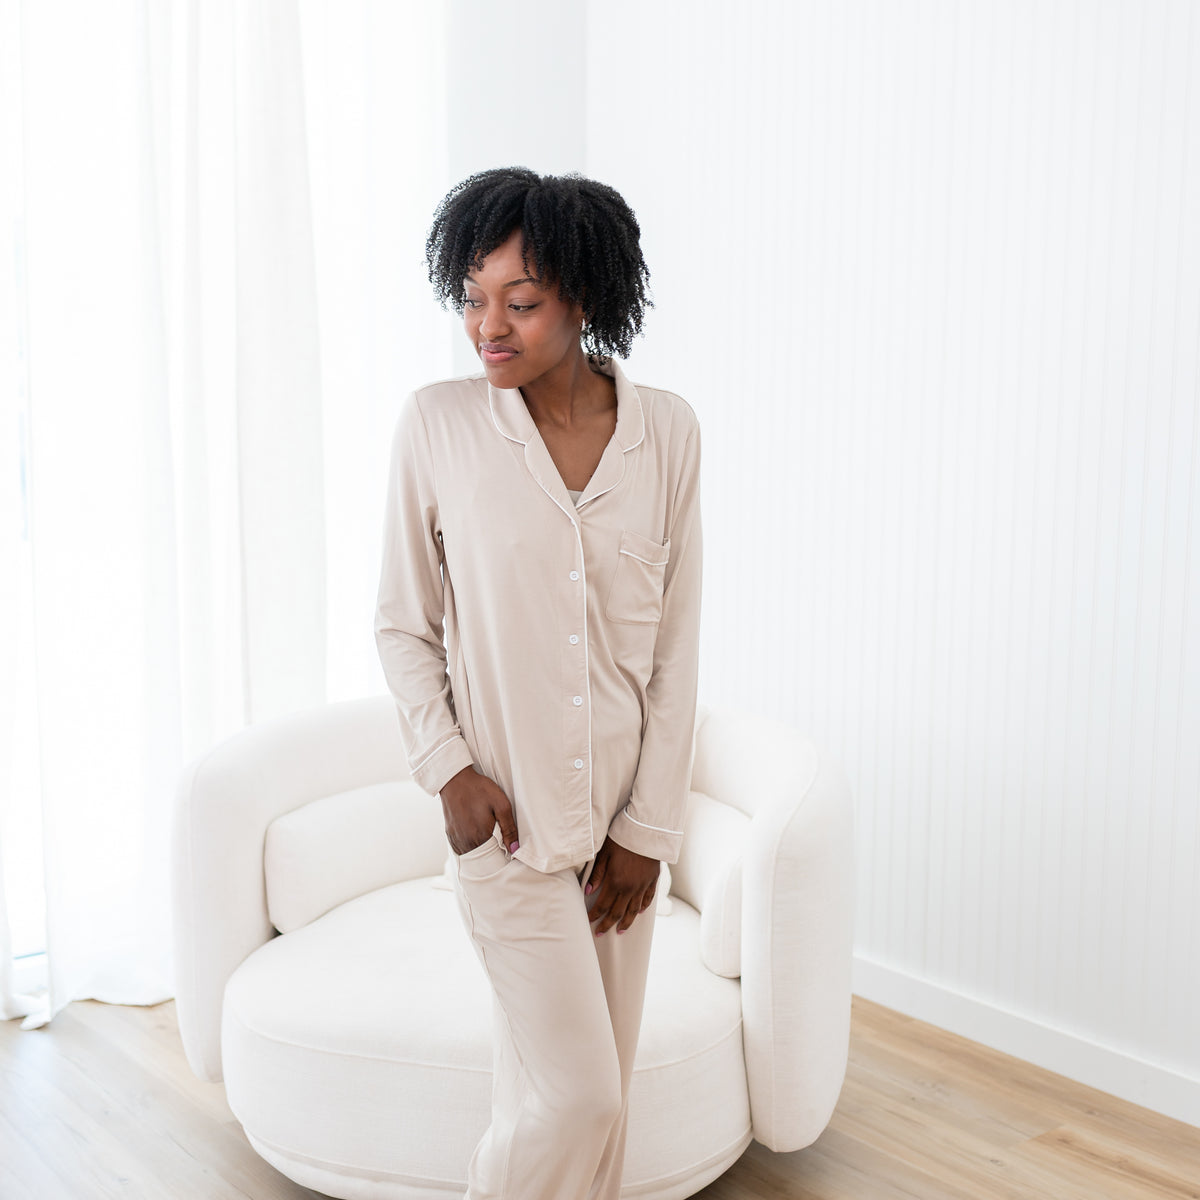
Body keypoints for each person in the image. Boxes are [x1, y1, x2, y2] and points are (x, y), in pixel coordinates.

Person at [374, 166, 702, 1200]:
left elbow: (676, 652)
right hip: (505, 825)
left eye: (520, 303)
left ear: (585, 297)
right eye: (473, 299)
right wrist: (447, 769)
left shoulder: (668, 434)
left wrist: (650, 830)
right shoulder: (437, 426)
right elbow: (402, 622)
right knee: (579, 1101)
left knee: (588, 1108)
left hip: (620, 838)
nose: (488, 328)